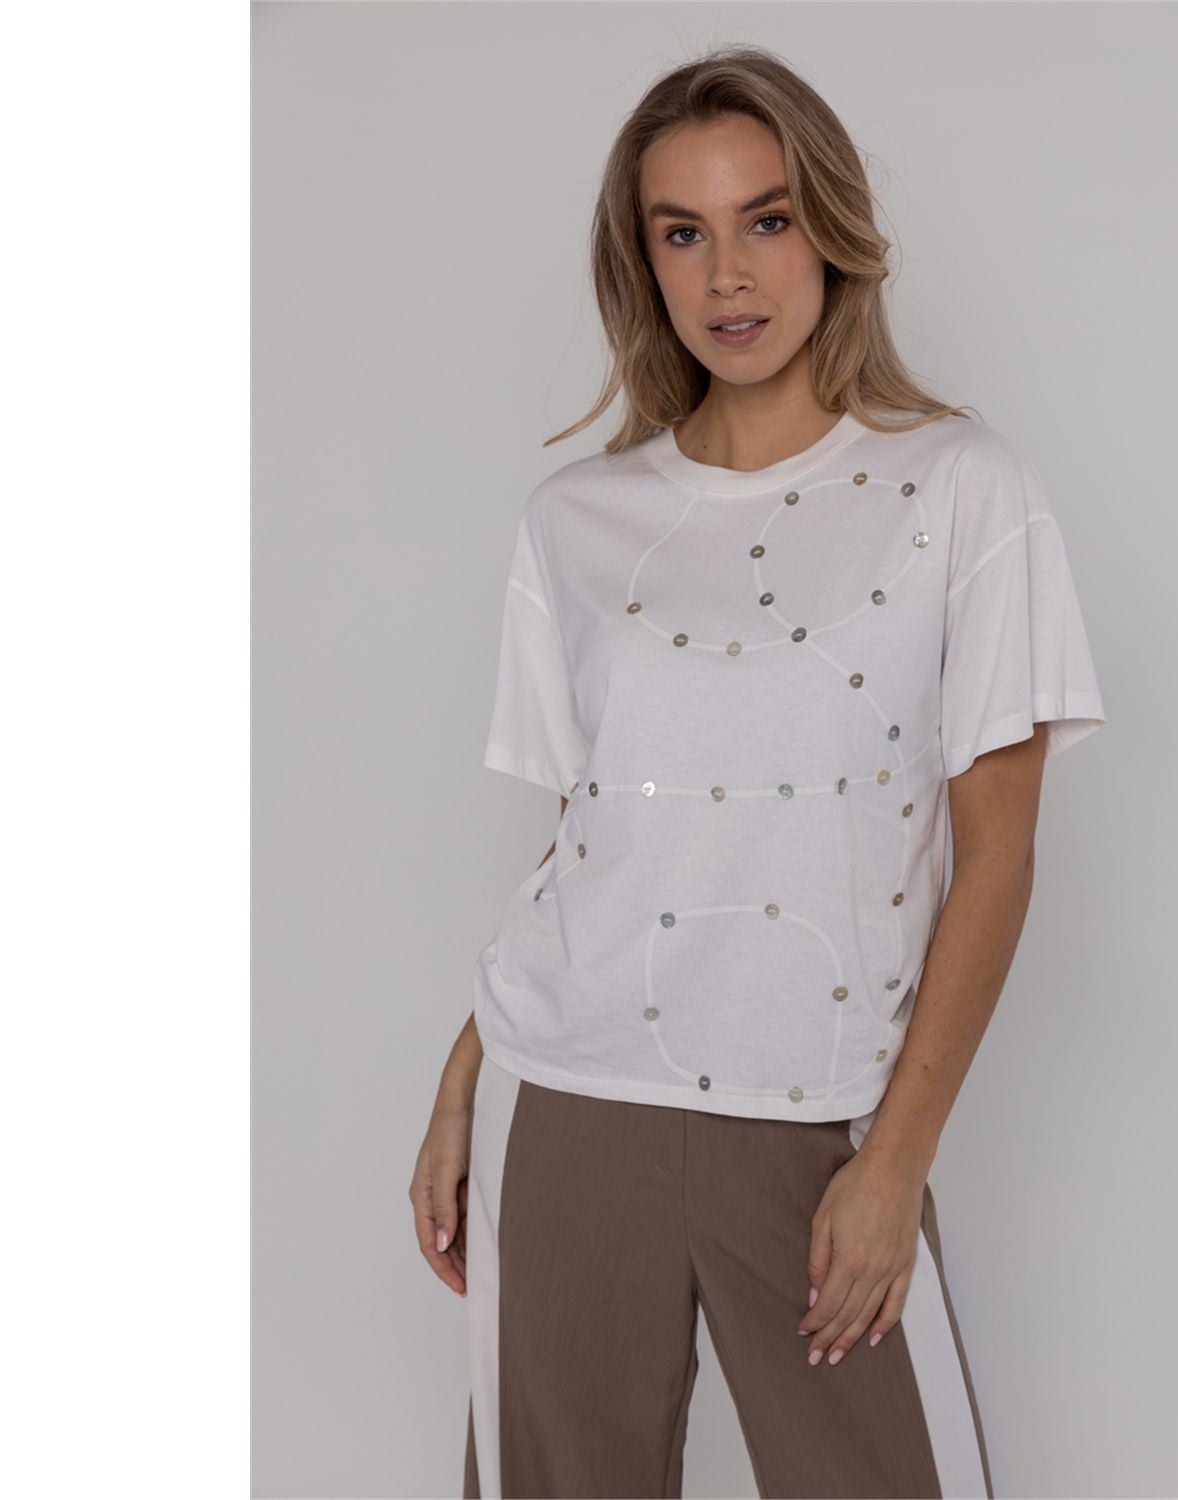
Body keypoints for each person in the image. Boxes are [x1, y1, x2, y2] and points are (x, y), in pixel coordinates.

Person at [408, 44, 1105, 1500]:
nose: (728, 273)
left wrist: (895, 1162)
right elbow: (594, 835)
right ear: (643, 264)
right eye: (683, 232)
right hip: (566, 1096)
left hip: (821, 1118)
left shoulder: (962, 489)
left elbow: (999, 855)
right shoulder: (576, 523)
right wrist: (466, 1077)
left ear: (831, 231)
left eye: (766, 219)